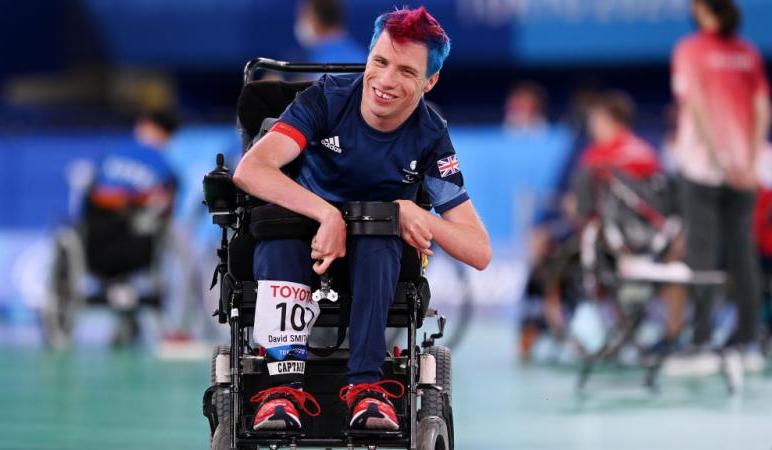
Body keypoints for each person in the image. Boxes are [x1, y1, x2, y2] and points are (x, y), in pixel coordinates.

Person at [234, 6, 491, 431]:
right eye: (380, 62)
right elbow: (251, 170)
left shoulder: (430, 137)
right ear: (369, 56)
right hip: (301, 245)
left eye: (407, 72)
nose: (386, 81)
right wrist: (326, 213)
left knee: (381, 228)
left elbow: (479, 251)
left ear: (430, 82)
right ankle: (281, 390)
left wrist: (409, 211)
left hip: (376, 257)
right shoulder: (326, 99)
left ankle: (368, 390)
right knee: (278, 229)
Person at [667, 0, 770, 375]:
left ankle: (702, 344)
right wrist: (749, 159)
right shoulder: (748, 53)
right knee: (743, 256)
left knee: (703, 258)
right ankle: (748, 343)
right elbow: (762, 109)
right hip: (745, 172)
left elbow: (695, 105)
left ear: (701, 9)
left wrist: (720, 158)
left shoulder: (690, 50)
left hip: (704, 171)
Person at [85, 110, 179, 343]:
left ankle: (122, 297)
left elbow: (91, 196)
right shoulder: (164, 165)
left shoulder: (112, 153)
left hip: (101, 239)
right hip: (135, 244)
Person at [294, 0, 367, 64]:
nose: (301, 21)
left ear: (316, 19)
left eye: (303, 16)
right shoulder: (362, 56)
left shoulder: (315, 65)